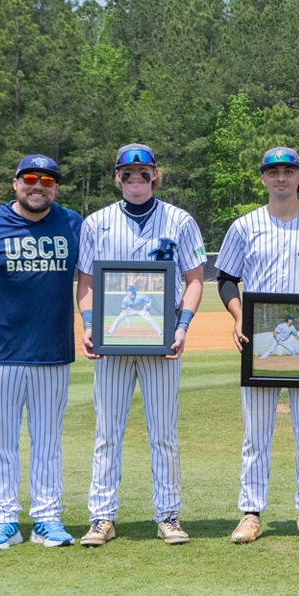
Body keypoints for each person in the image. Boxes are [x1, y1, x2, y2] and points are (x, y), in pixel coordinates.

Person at [214, 146, 299, 545]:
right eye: (273, 171)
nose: (280, 177)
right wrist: (239, 315)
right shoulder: (244, 226)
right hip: (259, 337)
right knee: (256, 431)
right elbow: (225, 278)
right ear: (262, 178)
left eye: (288, 170)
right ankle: (251, 512)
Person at [75, 144, 207, 547]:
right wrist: (89, 325)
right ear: (116, 176)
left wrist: (182, 327)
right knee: (107, 432)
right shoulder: (96, 223)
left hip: (161, 340)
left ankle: (168, 515)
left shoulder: (180, 221)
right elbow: (87, 284)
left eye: (143, 173)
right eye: (128, 173)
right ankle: (101, 517)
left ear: (156, 175)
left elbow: (195, 279)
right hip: (112, 344)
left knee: (163, 431)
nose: (136, 180)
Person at [0, 154, 83, 550]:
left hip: (53, 352)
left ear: (55, 187)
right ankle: (4, 519)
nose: (38, 186)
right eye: (30, 178)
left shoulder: (73, 224)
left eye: (47, 180)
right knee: (2, 442)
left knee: (48, 441)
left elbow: (95, 278)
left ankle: (46, 517)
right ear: (15, 183)